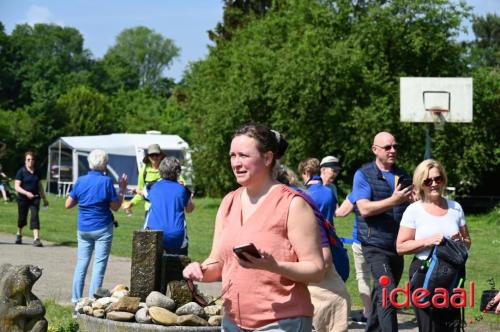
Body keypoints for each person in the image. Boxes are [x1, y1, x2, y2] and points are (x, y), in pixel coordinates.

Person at [183, 124, 325, 331]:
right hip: (233, 322)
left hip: (282, 322)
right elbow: (217, 264)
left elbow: (316, 270)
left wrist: (274, 266)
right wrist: (200, 270)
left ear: (267, 158)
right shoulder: (229, 202)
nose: (236, 163)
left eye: (243, 155)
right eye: (232, 155)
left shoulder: (293, 204)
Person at [396, 159, 471, 331]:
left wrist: (460, 240)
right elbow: (400, 247)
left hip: (453, 274)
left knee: (452, 327)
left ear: (443, 180)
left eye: (438, 179)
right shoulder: (414, 210)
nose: (434, 184)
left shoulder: (456, 208)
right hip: (424, 273)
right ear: (420, 184)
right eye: (428, 181)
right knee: (429, 328)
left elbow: (468, 243)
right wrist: (427, 241)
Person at [351, 131, 412, 332]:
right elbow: (365, 209)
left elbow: (411, 209)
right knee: (388, 290)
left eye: (395, 146)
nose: (393, 150)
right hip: (374, 245)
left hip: (397, 245)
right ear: (375, 150)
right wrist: (394, 200)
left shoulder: (403, 175)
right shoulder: (363, 174)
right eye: (387, 147)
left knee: (382, 293)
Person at [278, 165, 350, 332]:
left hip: (323, 299)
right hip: (319, 298)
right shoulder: (322, 193)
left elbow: (324, 262)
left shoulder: (301, 208)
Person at [65, 149, 128, 305]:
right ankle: (93, 301)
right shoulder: (106, 182)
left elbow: (68, 204)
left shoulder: (80, 181)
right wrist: (121, 189)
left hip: (84, 228)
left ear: (89, 163)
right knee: (98, 265)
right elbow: (115, 206)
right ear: (105, 165)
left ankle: (75, 301)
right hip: (102, 228)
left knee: (81, 264)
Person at [143, 156, 195, 255]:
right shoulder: (183, 190)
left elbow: (144, 194)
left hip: (153, 234)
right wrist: (190, 197)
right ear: (177, 172)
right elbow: (189, 209)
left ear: (161, 170)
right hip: (176, 236)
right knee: (177, 268)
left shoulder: (151, 186)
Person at [336, 194, 372, 325]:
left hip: (361, 238)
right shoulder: (391, 186)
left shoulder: (358, 190)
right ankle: (384, 309)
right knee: (383, 277)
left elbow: (340, 213)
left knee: (363, 276)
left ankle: (368, 313)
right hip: (385, 240)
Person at [14, 151, 49, 247]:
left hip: (35, 198)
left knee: (35, 216)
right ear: (25, 161)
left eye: (32, 159)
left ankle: (36, 239)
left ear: (34, 161)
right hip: (23, 198)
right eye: (28, 159)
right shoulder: (21, 171)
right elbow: (16, 187)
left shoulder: (37, 172)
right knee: (22, 218)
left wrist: (44, 199)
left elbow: (40, 186)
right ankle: (19, 233)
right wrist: (26, 193)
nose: (30, 161)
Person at [123, 144, 165, 216]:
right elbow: (141, 192)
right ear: (148, 157)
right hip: (150, 210)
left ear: (161, 156)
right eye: (152, 155)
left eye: (157, 155)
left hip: (165, 209)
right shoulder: (144, 171)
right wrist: (131, 203)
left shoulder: (167, 169)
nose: (154, 157)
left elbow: (181, 182)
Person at [299, 158, 337, 226]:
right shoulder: (330, 191)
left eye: (302, 175)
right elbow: (334, 213)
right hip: (328, 235)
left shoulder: (303, 194)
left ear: (306, 173)